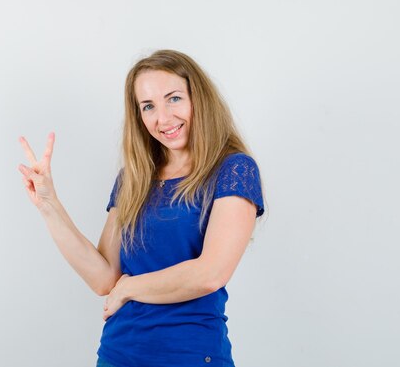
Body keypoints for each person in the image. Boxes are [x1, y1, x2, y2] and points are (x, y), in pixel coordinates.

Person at [17, 49, 265, 367]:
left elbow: (211, 273)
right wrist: (49, 205)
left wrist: (130, 287)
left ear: (198, 98)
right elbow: (104, 279)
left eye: (173, 98)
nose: (163, 118)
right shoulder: (132, 179)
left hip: (190, 356)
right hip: (118, 354)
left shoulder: (233, 170)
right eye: (148, 106)